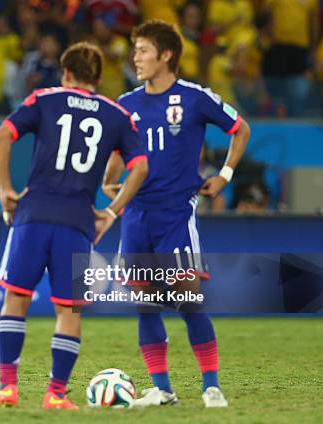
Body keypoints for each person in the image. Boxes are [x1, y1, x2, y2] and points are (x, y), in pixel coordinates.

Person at [0, 41, 148, 410]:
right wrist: (112, 211)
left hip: (33, 212)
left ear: (66, 73)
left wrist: (7, 189)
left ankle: (8, 388)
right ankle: (56, 394)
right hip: (78, 220)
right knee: (69, 310)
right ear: (99, 78)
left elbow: (3, 134)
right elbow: (139, 166)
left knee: (16, 298)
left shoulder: (44, 99)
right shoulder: (117, 115)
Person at [102, 20, 250, 408]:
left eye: (143, 50)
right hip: (135, 216)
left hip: (175, 216)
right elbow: (120, 149)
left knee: (187, 299)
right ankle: (162, 388)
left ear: (166, 55)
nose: (136, 57)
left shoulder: (195, 97)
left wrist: (224, 175)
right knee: (145, 303)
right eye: (134, 50)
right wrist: (109, 179)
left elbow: (240, 128)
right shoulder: (128, 103)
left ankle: (211, 386)